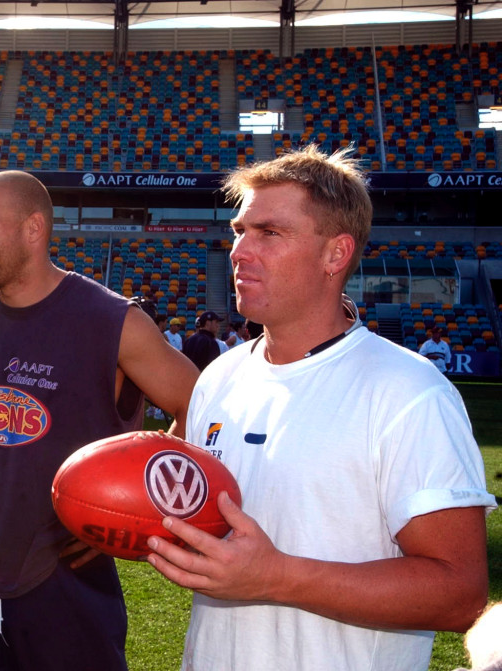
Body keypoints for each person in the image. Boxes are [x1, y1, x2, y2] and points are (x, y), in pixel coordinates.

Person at [145, 145, 495, 671]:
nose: (239, 250)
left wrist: (277, 575)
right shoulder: (220, 376)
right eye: (240, 231)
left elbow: (458, 592)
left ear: (336, 254)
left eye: (269, 233)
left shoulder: (407, 390)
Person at [0, 170, 199, 671]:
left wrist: (141, 516)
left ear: (33, 229)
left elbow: (200, 404)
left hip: (66, 580)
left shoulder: (112, 320)